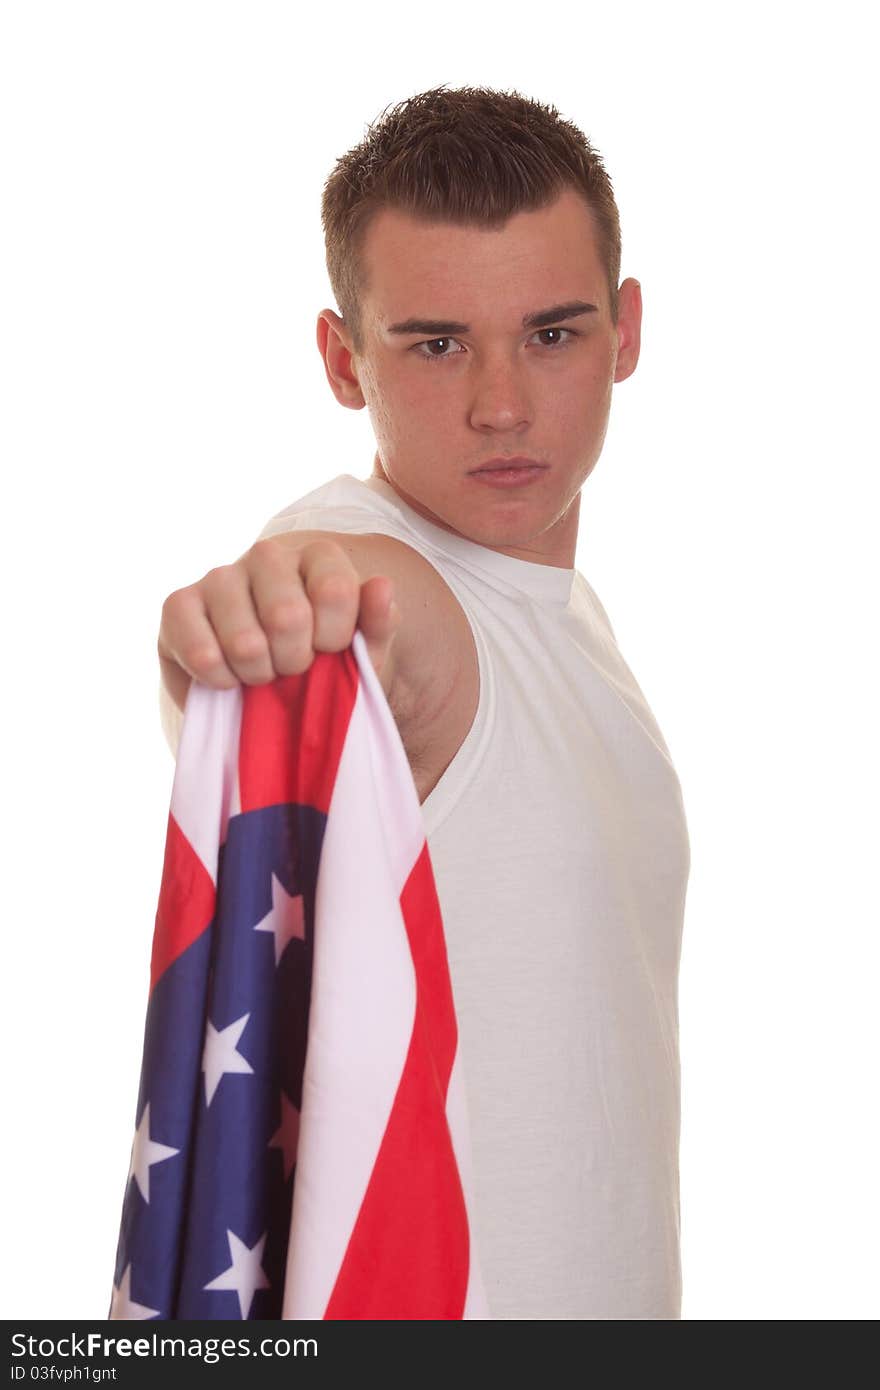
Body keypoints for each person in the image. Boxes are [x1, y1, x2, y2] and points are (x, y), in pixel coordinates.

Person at [157, 85, 691, 1320]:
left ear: (626, 331)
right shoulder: (371, 565)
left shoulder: (567, 618)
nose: (501, 404)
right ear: (346, 361)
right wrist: (266, 616)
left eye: (551, 335)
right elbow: (356, 616)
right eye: (436, 343)